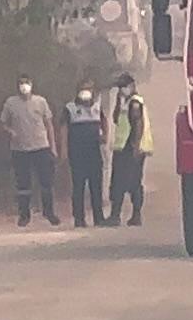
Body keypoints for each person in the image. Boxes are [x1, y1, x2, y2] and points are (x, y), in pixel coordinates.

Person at [1, 76, 60, 225]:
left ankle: (49, 212)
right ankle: (24, 215)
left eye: (26, 83)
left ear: (32, 85)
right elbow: (3, 123)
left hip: (41, 147)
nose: (24, 86)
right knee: (23, 184)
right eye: (21, 83)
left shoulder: (41, 102)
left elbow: (49, 124)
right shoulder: (10, 103)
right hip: (20, 149)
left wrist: (53, 147)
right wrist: (10, 131)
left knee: (46, 182)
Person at [104, 72, 148, 226]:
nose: (121, 90)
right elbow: (116, 119)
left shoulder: (135, 102)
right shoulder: (124, 102)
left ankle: (131, 215)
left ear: (132, 86)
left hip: (131, 148)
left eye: (124, 86)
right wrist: (118, 100)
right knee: (118, 182)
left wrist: (135, 147)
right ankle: (117, 215)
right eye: (120, 87)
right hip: (122, 147)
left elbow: (138, 125)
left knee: (131, 182)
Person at [63, 83, 108, 228]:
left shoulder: (96, 107)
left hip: (94, 152)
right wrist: (63, 149)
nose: (85, 94)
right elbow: (63, 128)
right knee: (78, 187)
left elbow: (104, 121)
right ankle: (79, 219)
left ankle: (99, 217)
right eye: (83, 90)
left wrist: (105, 136)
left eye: (88, 90)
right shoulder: (70, 108)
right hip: (77, 153)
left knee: (96, 186)